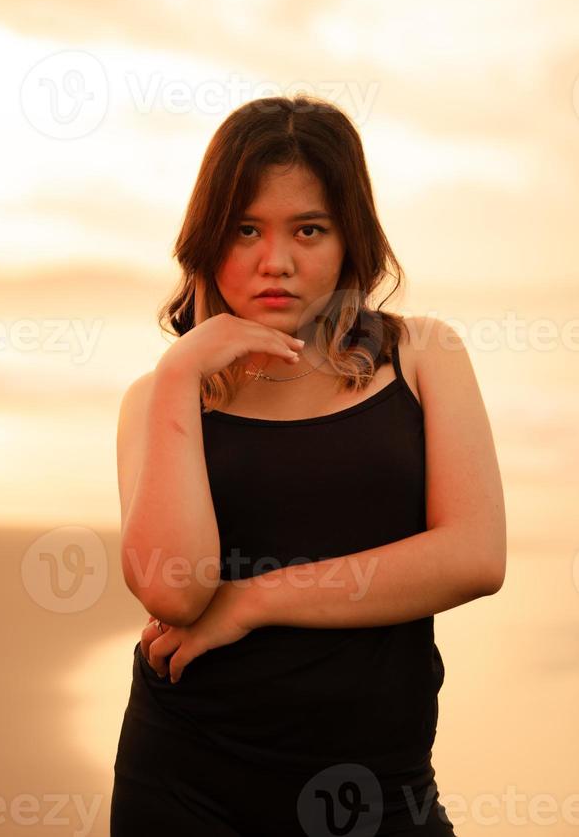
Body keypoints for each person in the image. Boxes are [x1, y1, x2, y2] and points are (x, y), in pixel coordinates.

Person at [110, 94, 506, 836]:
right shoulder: (157, 400)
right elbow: (173, 587)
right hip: (185, 782)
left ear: (349, 239)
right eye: (245, 229)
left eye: (309, 230)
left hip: (376, 790)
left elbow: (475, 556)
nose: (276, 261)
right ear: (205, 240)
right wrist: (177, 377)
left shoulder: (420, 354)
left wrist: (251, 602)